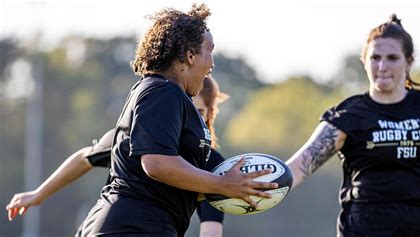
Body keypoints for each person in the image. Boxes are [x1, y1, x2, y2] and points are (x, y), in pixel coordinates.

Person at [78, 4, 276, 237]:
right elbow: (156, 163)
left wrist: (237, 187)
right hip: (132, 227)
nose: (212, 62)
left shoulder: (168, 94)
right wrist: (222, 184)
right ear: (190, 55)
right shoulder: (163, 91)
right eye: (210, 50)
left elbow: (166, 184)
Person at [286, 14, 420, 236]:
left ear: (409, 62)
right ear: (364, 61)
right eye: (375, 58)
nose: (382, 66)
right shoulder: (348, 115)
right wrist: (246, 186)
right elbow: (296, 169)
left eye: (392, 58)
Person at [5, 75, 229, 237]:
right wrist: (38, 194)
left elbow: (211, 227)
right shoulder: (141, 134)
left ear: (210, 114)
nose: (184, 118)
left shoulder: (212, 164)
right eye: (183, 109)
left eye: (197, 112)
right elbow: (85, 158)